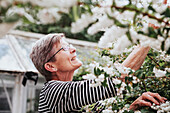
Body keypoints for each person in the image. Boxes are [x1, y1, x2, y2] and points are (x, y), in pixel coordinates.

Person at [30, 33, 167, 113]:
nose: (73, 49)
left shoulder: (76, 98)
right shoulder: (54, 92)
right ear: (50, 66)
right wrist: (149, 35)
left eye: (70, 45)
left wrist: (134, 106)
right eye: (64, 48)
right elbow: (117, 79)